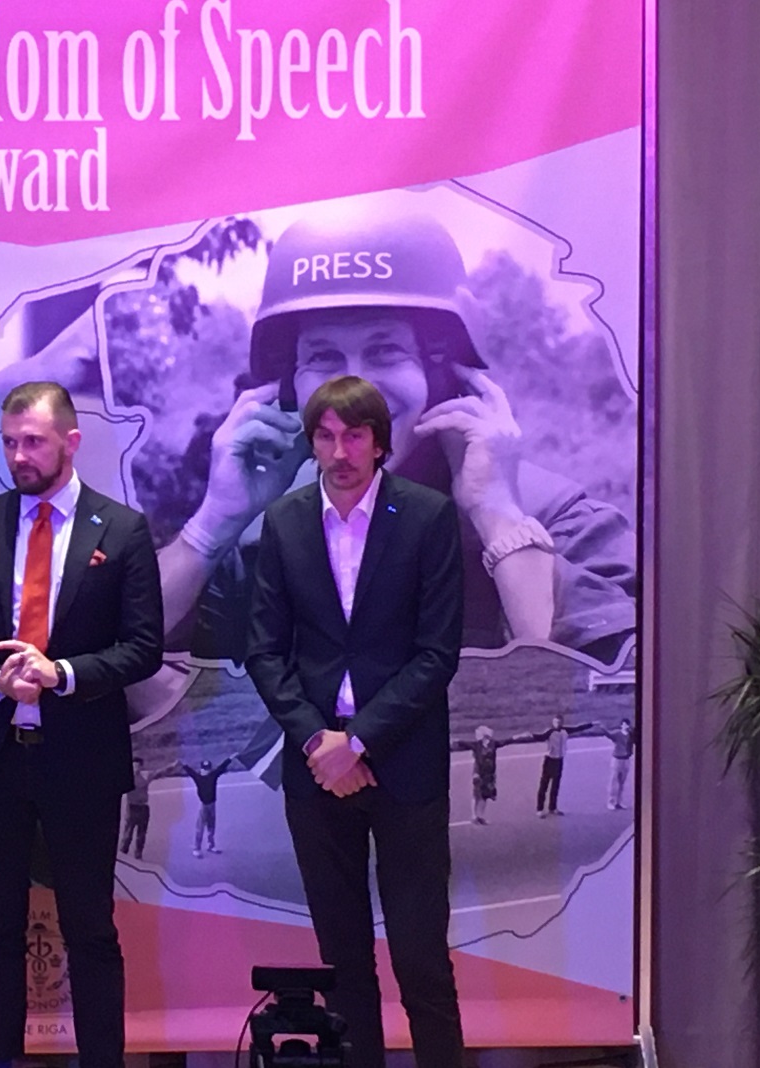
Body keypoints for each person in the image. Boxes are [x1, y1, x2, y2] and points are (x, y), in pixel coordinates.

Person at [147, 211, 634, 714]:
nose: (354, 391)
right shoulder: (259, 539)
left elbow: (619, 694)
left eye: (385, 351)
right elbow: (111, 658)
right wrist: (213, 525)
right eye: (323, 358)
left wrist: (500, 520)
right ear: (289, 387)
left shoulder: (558, 519)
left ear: (444, 377)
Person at [0, 381, 163, 1068]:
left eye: (33, 442)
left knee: (91, 930)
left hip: (80, 760)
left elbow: (144, 647)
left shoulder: (122, 530)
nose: (19, 456)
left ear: (70, 442)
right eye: (9, 443)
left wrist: (62, 673)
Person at [245, 374, 465, 1068]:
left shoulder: (428, 516)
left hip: (404, 765)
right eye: (325, 436)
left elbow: (437, 654)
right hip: (317, 771)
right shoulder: (284, 522)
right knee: (342, 966)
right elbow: (264, 651)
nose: (339, 452)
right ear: (312, 442)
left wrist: (359, 741)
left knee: (421, 959)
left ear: (379, 442)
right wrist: (321, 742)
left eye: (354, 435)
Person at [534, 715, 594, 818]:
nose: (557, 724)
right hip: (549, 760)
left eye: (559, 722)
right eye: (555, 722)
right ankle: (539, 809)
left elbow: (578, 728)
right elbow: (540, 737)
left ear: (562, 722)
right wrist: (528, 735)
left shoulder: (565, 731)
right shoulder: (549, 732)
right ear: (553, 723)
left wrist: (591, 724)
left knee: (555, 786)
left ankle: (552, 807)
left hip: (559, 760)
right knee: (544, 785)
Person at [183, 757, 235, 857]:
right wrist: (183, 765)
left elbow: (221, 767)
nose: (206, 771)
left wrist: (229, 759)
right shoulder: (198, 777)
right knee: (200, 827)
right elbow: (190, 771)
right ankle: (196, 848)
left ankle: (211, 845)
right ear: (201, 769)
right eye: (204, 769)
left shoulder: (213, 776)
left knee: (211, 826)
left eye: (208, 769)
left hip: (212, 805)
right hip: (204, 806)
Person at [451, 726, 502, 825]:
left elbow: (507, 741)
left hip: (489, 774)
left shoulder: (493, 744)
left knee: (485, 795)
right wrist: (454, 741)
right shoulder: (476, 745)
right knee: (477, 794)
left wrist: (518, 737)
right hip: (478, 773)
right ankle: (474, 816)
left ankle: (480, 816)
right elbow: (463, 743)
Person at [119, 758, 153, 860]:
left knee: (141, 834)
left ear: (141, 767)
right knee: (128, 834)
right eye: (134, 765)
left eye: (138, 765)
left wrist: (172, 767)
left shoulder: (145, 777)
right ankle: (123, 854)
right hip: (132, 808)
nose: (136, 768)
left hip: (144, 808)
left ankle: (138, 855)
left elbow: (159, 773)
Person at [603, 719, 637, 811]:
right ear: (621, 725)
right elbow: (609, 734)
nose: (625, 726)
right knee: (614, 782)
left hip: (626, 759)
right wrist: (602, 727)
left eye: (627, 724)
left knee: (622, 782)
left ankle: (619, 802)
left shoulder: (631, 735)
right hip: (617, 759)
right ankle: (611, 802)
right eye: (624, 724)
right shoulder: (617, 734)